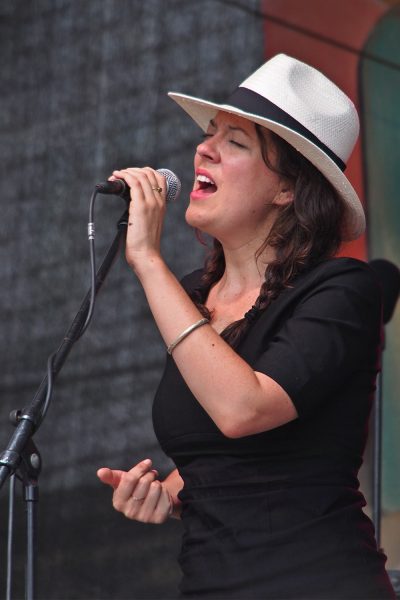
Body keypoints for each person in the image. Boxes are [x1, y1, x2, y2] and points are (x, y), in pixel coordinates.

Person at [97, 54, 396, 599]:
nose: (203, 149)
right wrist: (169, 490)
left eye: (235, 143)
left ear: (287, 190)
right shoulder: (192, 295)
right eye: (210, 134)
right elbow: (227, 454)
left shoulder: (341, 291)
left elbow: (244, 409)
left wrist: (146, 260)